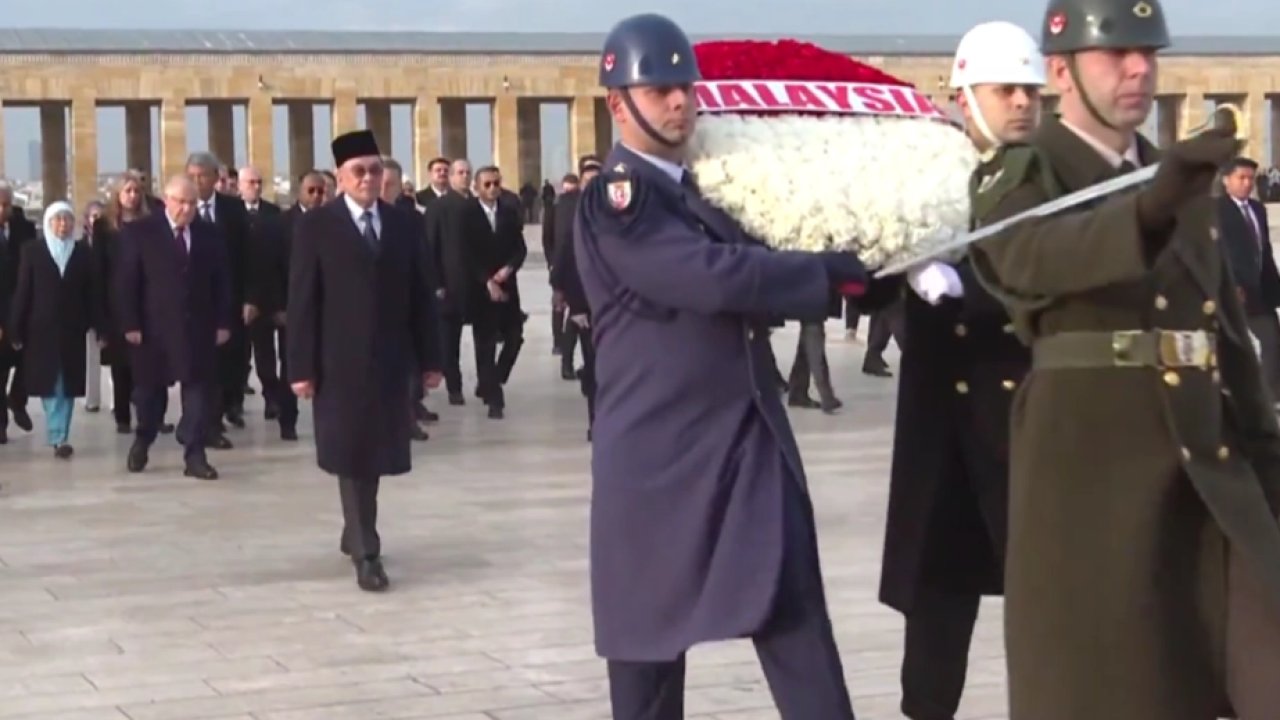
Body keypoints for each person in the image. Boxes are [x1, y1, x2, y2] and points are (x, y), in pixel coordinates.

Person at [969, 0, 1280, 716]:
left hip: (1208, 474)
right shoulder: (1024, 168)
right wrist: (1148, 209)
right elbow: (1030, 258)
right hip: (1095, 482)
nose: (1139, 68)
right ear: (1062, 71)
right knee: (1121, 688)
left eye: (1148, 52)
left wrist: (1266, 456)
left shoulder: (1171, 172)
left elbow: (1223, 330)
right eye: (1117, 53)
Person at [576, 13, 873, 719]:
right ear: (619, 104)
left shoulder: (706, 192)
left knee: (799, 629)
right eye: (660, 91)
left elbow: (773, 244)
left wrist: (875, 258)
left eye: (686, 87)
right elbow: (707, 276)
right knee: (647, 672)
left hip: (744, 449)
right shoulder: (618, 200)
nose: (680, 102)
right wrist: (823, 276)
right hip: (657, 465)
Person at [878, 21, 1044, 720]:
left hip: (1017, 427)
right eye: (1005, 89)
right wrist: (896, 271)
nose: (1022, 103)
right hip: (943, 436)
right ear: (963, 93)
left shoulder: (1049, 178)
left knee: (1042, 615)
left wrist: (967, 291)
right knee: (937, 620)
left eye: (1031, 91)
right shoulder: (921, 173)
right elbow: (867, 271)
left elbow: (1047, 278)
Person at [287, 130, 443, 592]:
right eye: (359, 171)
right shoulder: (317, 226)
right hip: (337, 364)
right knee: (351, 455)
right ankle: (366, 551)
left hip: (390, 362)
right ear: (340, 177)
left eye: (375, 170)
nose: (369, 178)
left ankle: (355, 528)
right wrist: (299, 368)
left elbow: (421, 296)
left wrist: (431, 358)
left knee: (373, 456)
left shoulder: (404, 224)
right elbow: (302, 301)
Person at [117, 175, 232, 480]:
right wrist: (130, 322)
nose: (186, 208)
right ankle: (143, 440)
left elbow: (222, 282)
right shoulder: (140, 232)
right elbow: (127, 282)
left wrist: (223, 321)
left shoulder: (209, 234)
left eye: (192, 203)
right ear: (166, 200)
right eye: (181, 202)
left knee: (198, 395)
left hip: (197, 328)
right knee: (150, 396)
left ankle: (195, 456)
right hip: (153, 330)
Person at [6, 202, 101, 458]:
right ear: (48, 223)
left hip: (72, 327)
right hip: (40, 328)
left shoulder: (82, 253)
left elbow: (91, 292)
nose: (63, 225)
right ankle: (57, 433)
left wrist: (98, 325)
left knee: (67, 383)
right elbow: (24, 291)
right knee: (51, 382)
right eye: (58, 220)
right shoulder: (33, 251)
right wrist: (15, 328)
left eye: (67, 220)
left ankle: (61, 435)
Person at [245, 170, 330, 441]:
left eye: (321, 191)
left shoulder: (335, 222)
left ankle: (325, 420)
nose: (317, 196)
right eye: (311, 190)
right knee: (289, 365)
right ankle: (287, 419)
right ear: (300, 192)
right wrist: (278, 307)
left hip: (326, 309)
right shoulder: (280, 224)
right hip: (290, 308)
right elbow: (270, 269)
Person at [549, 155, 601, 439]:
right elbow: (566, 256)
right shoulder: (575, 211)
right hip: (586, 304)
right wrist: (573, 302)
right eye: (588, 180)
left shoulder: (619, 210)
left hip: (617, 306)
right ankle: (596, 423)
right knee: (593, 365)